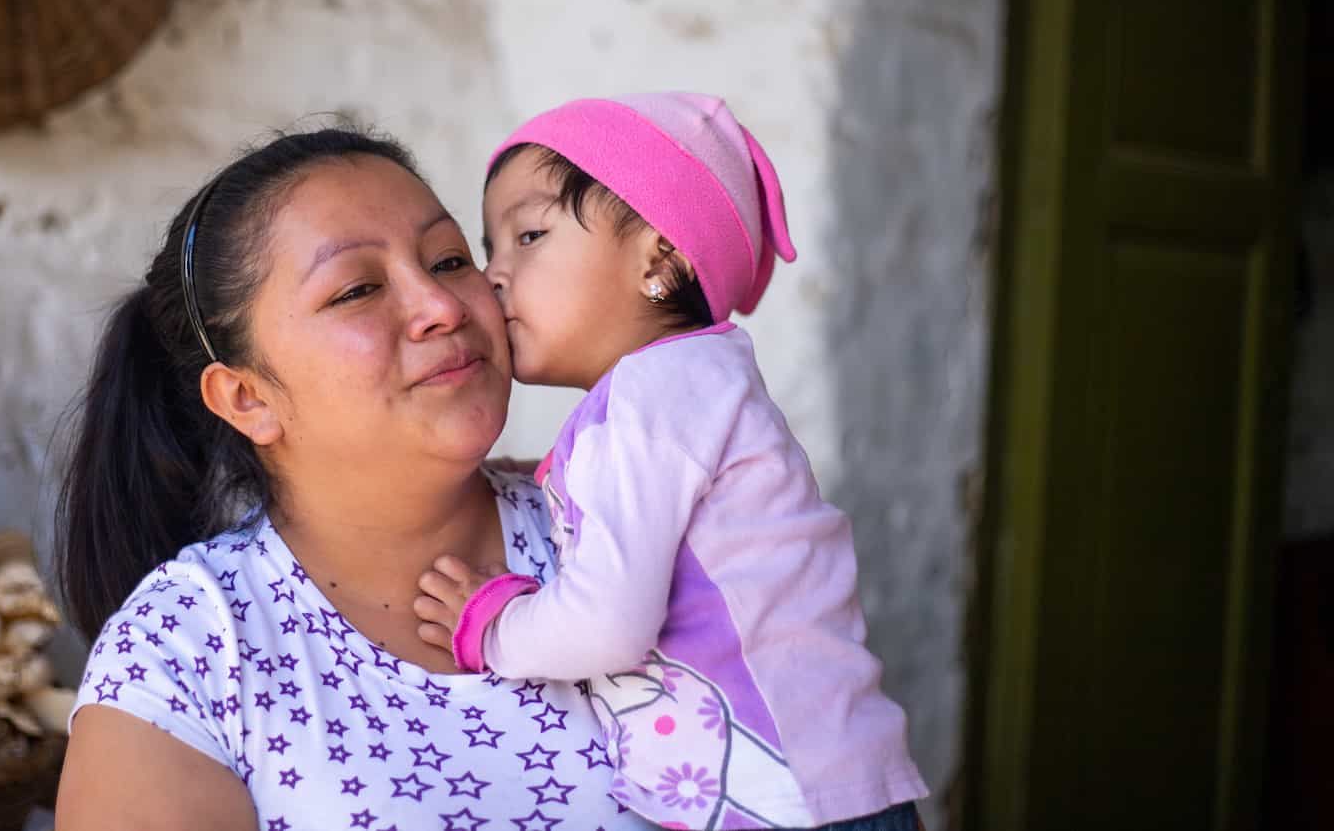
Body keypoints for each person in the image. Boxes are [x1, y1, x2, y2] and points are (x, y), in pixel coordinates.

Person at [52, 127, 653, 830]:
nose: (444, 306)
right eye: (359, 289)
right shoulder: (188, 650)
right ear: (247, 398)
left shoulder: (623, 525)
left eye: (451, 259)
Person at [412, 94, 929, 830]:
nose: (495, 276)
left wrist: (491, 622)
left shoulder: (650, 399)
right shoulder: (686, 387)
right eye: (491, 250)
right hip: (819, 789)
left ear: (661, 260)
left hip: (784, 803)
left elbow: (607, 628)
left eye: (529, 235)